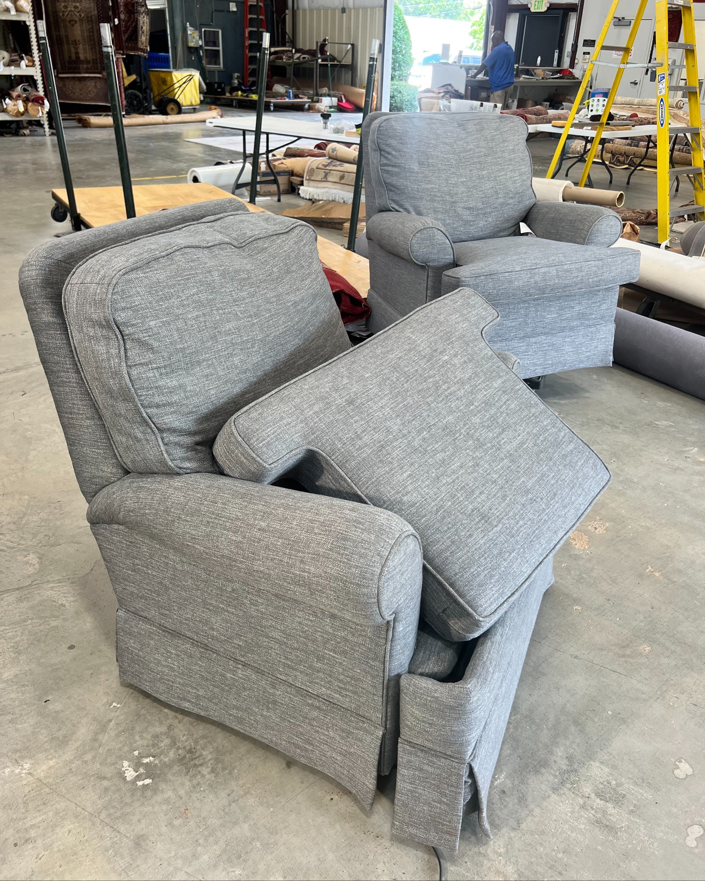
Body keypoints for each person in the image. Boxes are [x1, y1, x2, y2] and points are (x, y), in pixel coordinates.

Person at [471, 30, 515, 109]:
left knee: (496, 112)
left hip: (499, 86)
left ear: (497, 40)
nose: (493, 44)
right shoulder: (509, 49)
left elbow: (484, 65)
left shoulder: (497, 50)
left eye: (493, 41)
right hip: (509, 85)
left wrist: (474, 75)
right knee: (503, 111)